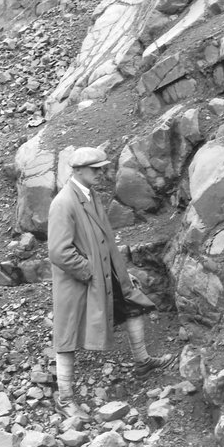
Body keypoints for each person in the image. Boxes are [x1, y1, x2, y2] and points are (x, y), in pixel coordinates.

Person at [47, 145, 176, 418]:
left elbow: (103, 240)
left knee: (132, 304)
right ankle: (65, 398)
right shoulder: (63, 202)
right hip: (79, 282)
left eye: (102, 168)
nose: (100, 173)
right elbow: (58, 252)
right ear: (78, 170)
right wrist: (90, 271)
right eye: (95, 169)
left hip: (105, 273)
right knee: (67, 335)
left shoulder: (90, 195)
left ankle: (142, 361)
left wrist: (119, 272)